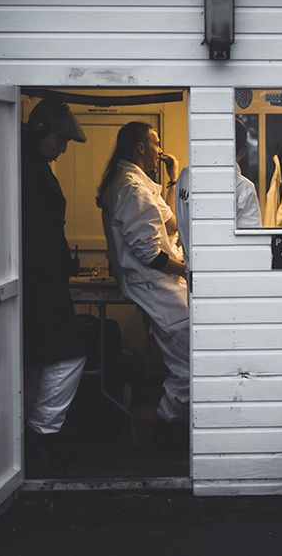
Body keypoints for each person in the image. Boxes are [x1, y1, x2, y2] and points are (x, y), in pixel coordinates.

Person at [96, 122, 189, 444]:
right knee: (193, 361)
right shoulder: (131, 189)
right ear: (140, 147)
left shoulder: (139, 184)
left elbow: (172, 220)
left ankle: (171, 421)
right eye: (156, 143)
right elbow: (149, 253)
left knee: (189, 358)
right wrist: (186, 271)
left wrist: (175, 177)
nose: (160, 150)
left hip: (159, 282)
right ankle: (167, 424)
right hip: (154, 284)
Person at [20, 98, 89, 475]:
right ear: (41, 132)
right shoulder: (31, 172)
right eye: (59, 141)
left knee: (35, 358)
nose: (63, 149)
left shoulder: (29, 166)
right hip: (40, 281)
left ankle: (30, 435)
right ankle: (40, 431)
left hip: (40, 279)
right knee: (70, 353)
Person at [175, 119, 260, 272]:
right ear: (243, 150)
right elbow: (250, 247)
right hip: (226, 278)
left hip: (192, 274)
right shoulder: (243, 188)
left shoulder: (185, 176)